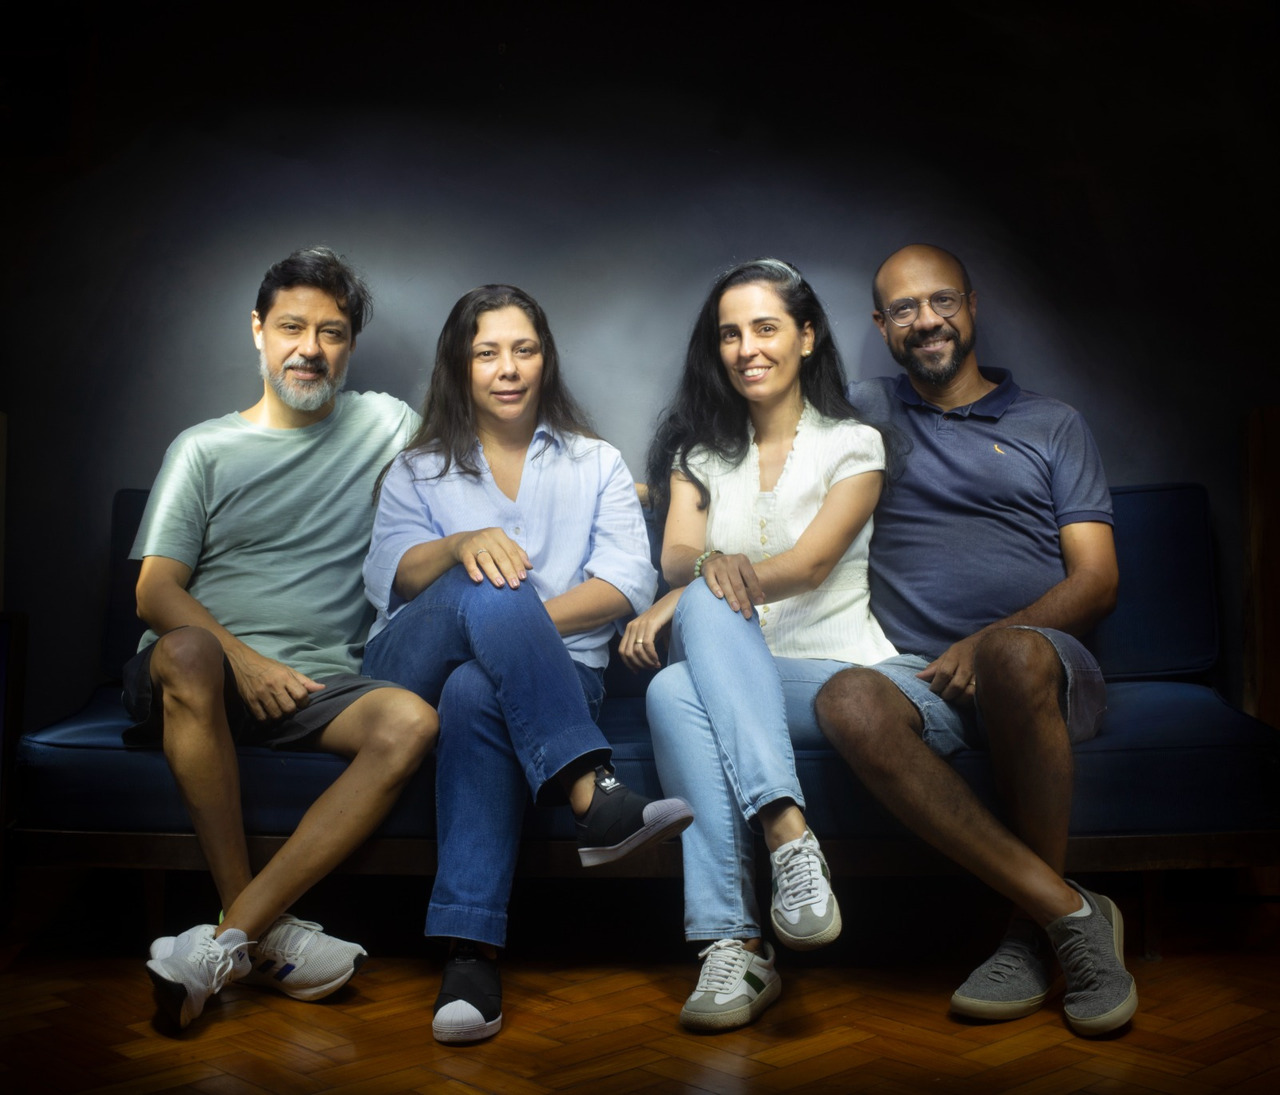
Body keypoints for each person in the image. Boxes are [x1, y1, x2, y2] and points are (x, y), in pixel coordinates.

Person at [814, 243, 1135, 1036]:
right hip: (917, 674)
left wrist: (988, 639)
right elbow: (747, 442)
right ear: (881, 325)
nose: (927, 321)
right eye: (905, 308)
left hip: (1042, 663)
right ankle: (1069, 911)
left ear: (971, 305)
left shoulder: (1052, 423)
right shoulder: (859, 417)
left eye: (942, 301)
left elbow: (1097, 579)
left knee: (1008, 652)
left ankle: (1026, 935)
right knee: (845, 698)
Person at [361, 284, 693, 1045]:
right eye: (487, 352)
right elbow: (391, 577)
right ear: (460, 364)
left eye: (524, 349)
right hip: (411, 661)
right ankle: (592, 789)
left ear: (545, 360)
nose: (508, 368)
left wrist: (510, 623)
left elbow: (627, 584)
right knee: (484, 581)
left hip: (551, 675)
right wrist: (456, 547)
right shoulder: (417, 467)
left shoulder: (597, 463)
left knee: (482, 681)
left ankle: (470, 956)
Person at [127, 246, 439, 1032]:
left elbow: (482, 466)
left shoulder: (387, 424)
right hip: (194, 668)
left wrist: (611, 482)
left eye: (331, 332)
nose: (310, 347)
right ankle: (257, 924)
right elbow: (155, 590)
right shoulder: (203, 447)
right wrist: (244, 657)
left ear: (350, 346)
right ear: (258, 332)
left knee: (412, 720)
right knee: (192, 651)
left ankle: (233, 936)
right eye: (293, 326)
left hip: (318, 683)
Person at [624, 258, 895, 1031]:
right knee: (671, 684)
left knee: (703, 613)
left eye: (767, 328)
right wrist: (698, 576)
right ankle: (761, 898)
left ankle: (745, 906)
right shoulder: (700, 454)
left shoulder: (854, 444)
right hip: (729, 676)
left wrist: (694, 589)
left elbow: (809, 567)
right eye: (730, 334)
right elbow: (678, 553)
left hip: (836, 674)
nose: (747, 347)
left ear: (806, 337)